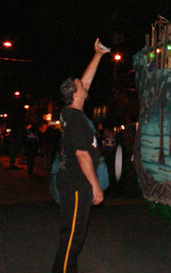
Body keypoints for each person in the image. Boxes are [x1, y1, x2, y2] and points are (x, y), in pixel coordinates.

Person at [52, 38, 109, 273]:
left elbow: (85, 81)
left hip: (72, 182)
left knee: (73, 235)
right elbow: (82, 155)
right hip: (77, 185)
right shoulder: (75, 119)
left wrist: (98, 55)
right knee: (73, 238)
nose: (86, 86)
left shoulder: (70, 111)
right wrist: (95, 186)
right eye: (81, 86)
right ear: (76, 94)